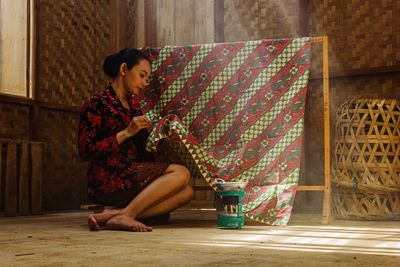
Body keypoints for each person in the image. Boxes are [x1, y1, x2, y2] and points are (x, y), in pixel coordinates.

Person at [78, 48, 194, 232]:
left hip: (131, 174)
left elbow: (143, 153)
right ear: (124, 69)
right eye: (141, 75)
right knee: (181, 173)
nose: (144, 83)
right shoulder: (96, 103)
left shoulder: (134, 108)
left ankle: (115, 215)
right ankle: (127, 214)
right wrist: (126, 132)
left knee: (187, 192)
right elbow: (85, 150)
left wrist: (159, 137)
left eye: (147, 78)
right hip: (107, 179)